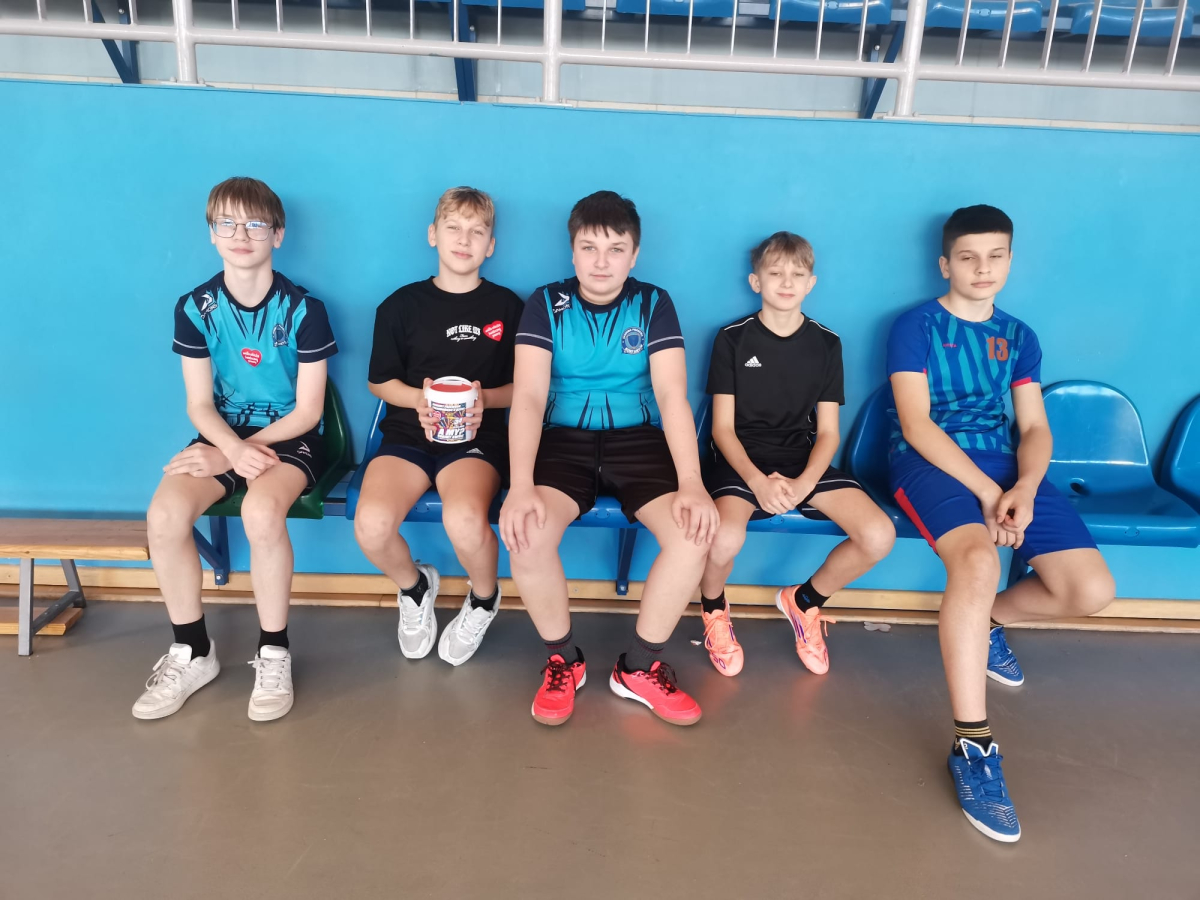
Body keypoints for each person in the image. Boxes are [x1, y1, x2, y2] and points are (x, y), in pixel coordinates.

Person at [887, 204, 1115, 841]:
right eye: (968, 257)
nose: (982, 269)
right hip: (927, 462)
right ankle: (974, 746)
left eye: (995, 257)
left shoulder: (1018, 336)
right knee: (979, 560)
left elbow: (1034, 427)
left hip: (1006, 467)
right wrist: (991, 493)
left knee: (1091, 590)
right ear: (945, 264)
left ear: (1010, 261)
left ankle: (985, 623)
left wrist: (1025, 487)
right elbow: (916, 424)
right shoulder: (915, 325)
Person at [500, 191, 718, 727]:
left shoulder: (654, 303)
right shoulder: (545, 302)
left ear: (634, 255)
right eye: (589, 247)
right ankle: (563, 660)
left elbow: (671, 395)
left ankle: (638, 668)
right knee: (526, 532)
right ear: (572, 251)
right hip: (563, 441)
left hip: (638, 441)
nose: (601, 261)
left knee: (693, 535)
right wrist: (520, 485)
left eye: (616, 249)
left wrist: (692, 482)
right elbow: (528, 396)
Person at [136, 176, 338, 722]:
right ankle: (193, 651)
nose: (240, 235)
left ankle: (274, 651)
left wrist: (232, 454)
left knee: (260, 511)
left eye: (254, 223)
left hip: (290, 439)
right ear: (211, 233)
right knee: (164, 516)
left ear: (278, 233)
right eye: (226, 223)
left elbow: (308, 412)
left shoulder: (304, 309)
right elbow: (199, 405)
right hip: (221, 435)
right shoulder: (194, 307)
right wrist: (227, 449)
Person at [699, 231, 895, 677]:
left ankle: (803, 601)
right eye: (775, 273)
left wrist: (805, 483)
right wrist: (756, 481)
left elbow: (828, 433)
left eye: (797, 274)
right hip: (740, 462)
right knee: (725, 538)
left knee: (878, 535)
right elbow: (722, 429)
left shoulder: (827, 343)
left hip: (802, 460)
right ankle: (713, 609)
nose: (786, 282)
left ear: (811, 283)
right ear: (756, 281)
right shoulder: (732, 339)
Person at [355, 187, 522, 665]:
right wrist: (418, 399)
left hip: (478, 440)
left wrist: (486, 400)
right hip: (408, 435)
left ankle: (484, 598)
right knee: (371, 525)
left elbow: (529, 389)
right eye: (453, 228)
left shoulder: (509, 308)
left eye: (477, 231)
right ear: (433, 234)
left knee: (464, 520)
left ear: (491, 245)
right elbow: (378, 381)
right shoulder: (400, 305)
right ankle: (414, 587)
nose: (464, 239)